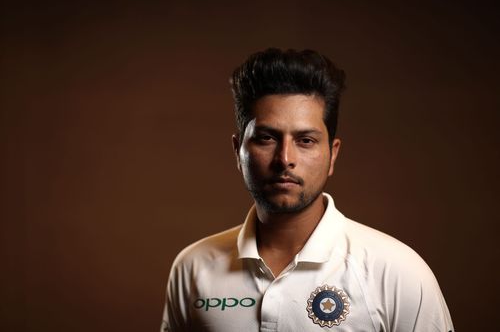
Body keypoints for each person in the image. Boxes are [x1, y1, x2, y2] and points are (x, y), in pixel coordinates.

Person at [160, 48, 454, 331]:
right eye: (266, 138)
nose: (285, 159)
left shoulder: (397, 272)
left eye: (306, 141)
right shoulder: (194, 267)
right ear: (238, 151)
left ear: (332, 155)